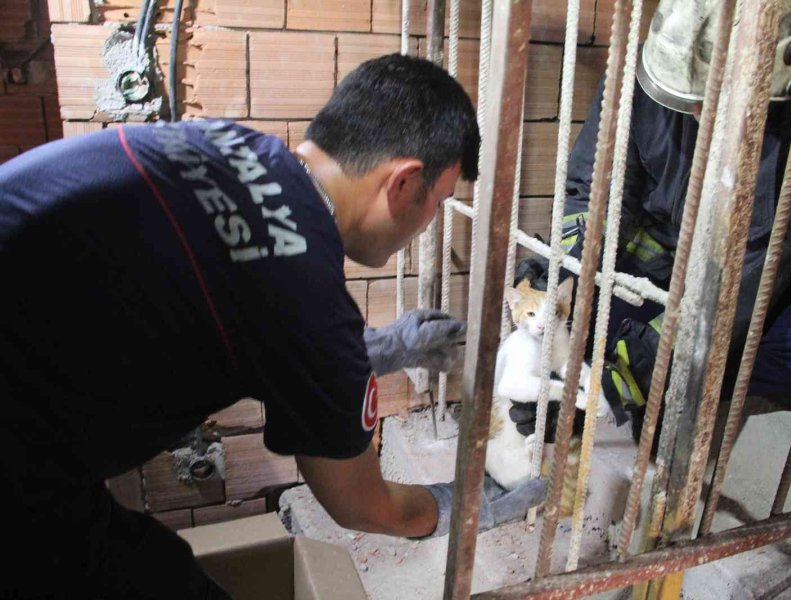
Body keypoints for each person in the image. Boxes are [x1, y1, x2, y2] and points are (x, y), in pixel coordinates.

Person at [0, 54, 545, 600]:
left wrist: (383, 349)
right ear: (402, 184)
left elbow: (248, 318)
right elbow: (363, 505)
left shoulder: (228, 145)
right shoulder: (307, 296)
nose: (430, 222)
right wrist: (463, 506)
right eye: (439, 202)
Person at [509, 0, 791, 447]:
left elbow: (732, 294)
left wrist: (622, 381)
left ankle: (681, 379)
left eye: (708, 96)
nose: (692, 111)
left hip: (731, 292)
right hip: (640, 274)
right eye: (682, 93)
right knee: (554, 317)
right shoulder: (641, 76)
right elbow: (591, 192)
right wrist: (564, 280)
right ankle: (659, 372)